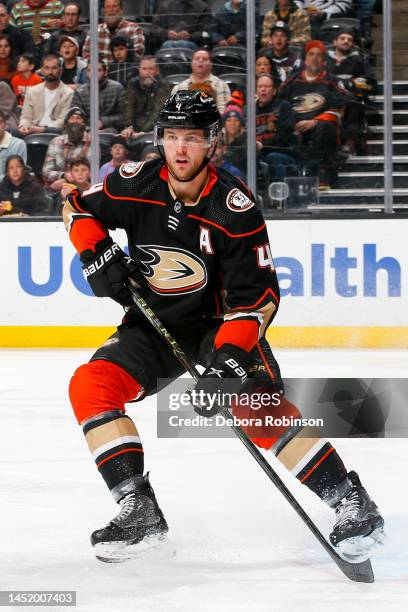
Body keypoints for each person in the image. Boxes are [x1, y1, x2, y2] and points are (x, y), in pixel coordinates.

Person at [62, 89, 384, 563]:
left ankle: (350, 500)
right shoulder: (135, 183)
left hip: (220, 327)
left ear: (212, 142)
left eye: (191, 138)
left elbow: (259, 299)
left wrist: (231, 360)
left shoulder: (233, 208)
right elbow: (75, 206)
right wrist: (94, 252)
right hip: (155, 326)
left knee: (255, 409)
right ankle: (139, 508)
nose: (180, 149)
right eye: (171, 137)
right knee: (90, 385)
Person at [279, 39, 348, 188]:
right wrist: (293, 123)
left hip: (320, 129)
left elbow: (341, 106)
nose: (314, 58)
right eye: (311, 54)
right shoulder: (291, 81)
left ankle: (322, 174)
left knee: (325, 126)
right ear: (305, 59)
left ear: (324, 61)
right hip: (295, 128)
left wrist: (315, 122)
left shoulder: (332, 82)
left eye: (319, 55)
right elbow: (280, 105)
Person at [18, 53, 73, 135]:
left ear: (60, 70)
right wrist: (24, 126)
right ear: (42, 70)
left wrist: (44, 129)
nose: (50, 72)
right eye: (46, 68)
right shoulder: (32, 91)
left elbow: (62, 120)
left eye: (54, 68)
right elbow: (26, 117)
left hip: (55, 133)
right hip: (32, 131)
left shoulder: (68, 93)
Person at [255, 74, 298, 181]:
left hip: (280, 153)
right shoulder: (249, 110)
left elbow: (284, 136)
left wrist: (262, 144)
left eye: (267, 86)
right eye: (260, 87)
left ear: (274, 91)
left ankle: (279, 194)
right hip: (255, 154)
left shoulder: (283, 106)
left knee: (273, 157)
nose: (263, 89)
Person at [122, 56, 172, 140]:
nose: (147, 72)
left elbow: (158, 111)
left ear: (157, 70)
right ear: (139, 70)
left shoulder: (164, 85)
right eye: (144, 69)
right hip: (134, 127)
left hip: (154, 128)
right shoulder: (133, 83)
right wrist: (129, 126)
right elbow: (128, 107)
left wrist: (144, 132)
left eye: (151, 69)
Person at [42, 106, 91, 192]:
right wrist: (63, 175)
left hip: (83, 188)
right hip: (56, 188)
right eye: (72, 118)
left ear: (85, 124)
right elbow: (46, 172)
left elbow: (93, 173)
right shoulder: (56, 142)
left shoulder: (92, 143)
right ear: (66, 124)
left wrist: (68, 182)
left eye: (79, 118)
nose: (75, 121)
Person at [71, 59, 125, 133]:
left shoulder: (117, 88)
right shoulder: (80, 92)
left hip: (112, 132)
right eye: (90, 71)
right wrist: (90, 127)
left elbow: (124, 116)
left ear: (105, 72)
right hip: (87, 132)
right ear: (87, 73)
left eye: (98, 70)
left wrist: (103, 122)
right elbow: (75, 116)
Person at [171, 48, 231, 114]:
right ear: (191, 64)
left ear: (211, 65)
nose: (200, 60)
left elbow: (223, 112)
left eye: (205, 59)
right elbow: (174, 113)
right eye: (197, 59)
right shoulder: (178, 88)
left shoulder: (222, 85)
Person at [0, 108, 26, 179]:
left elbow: (18, 174)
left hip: (7, 188)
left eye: (0, 122)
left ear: (5, 124)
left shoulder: (18, 145)